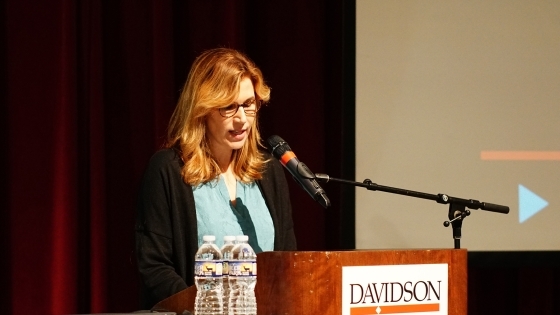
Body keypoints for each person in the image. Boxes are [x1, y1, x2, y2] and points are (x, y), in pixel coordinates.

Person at [135, 48, 297, 309]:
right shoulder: (168, 170)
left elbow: (288, 261)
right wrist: (201, 309)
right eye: (228, 107)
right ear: (202, 110)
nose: (241, 119)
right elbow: (154, 266)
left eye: (248, 104)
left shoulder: (268, 172)